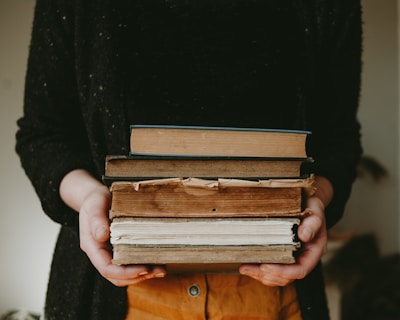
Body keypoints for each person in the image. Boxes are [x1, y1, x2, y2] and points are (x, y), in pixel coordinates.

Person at [15, 0, 362, 319]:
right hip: (118, 294)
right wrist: (90, 199)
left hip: (271, 295)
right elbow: (44, 134)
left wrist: (318, 199)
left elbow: (338, 140)